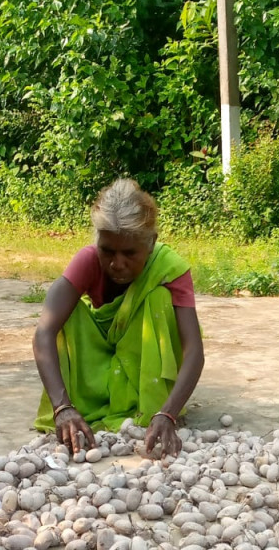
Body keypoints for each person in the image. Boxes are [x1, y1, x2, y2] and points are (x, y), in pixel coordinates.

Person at [32, 178, 205, 458]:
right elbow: (44, 332)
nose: (117, 263)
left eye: (130, 253)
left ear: (151, 244)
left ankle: (151, 405)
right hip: (100, 362)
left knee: (158, 298)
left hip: (141, 365)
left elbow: (194, 350)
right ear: (97, 242)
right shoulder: (87, 260)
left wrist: (168, 413)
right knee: (66, 310)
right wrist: (62, 407)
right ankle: (87, 404)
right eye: (107, 251)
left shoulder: (169, 269)